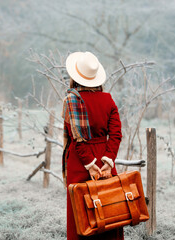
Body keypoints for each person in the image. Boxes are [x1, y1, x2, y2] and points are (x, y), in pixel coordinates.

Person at [62, 52, 123, 240]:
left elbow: (76, 139)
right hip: (104, 159)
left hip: (80, 162)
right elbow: (116, 134)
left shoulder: (70, 101)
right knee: (109, 209)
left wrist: (90, 163)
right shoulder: (108, 99)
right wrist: (108, 160)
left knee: (81, 215)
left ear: (75, 77)